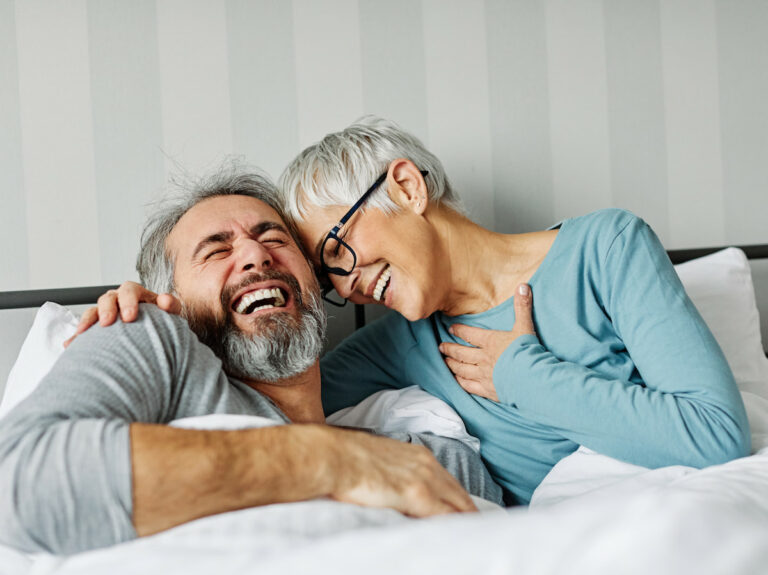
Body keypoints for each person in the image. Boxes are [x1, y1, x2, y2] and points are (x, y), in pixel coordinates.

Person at [79, 117, 751, 507]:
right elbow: (262, 400)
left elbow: (717, 434)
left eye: (339, 247)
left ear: (404, 185)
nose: (350, 285)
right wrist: (156, 319)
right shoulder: (399, 346)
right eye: (329, 274)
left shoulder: (605, 247)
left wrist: (526, 375)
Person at [0, 169, 502, 556]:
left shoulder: (424, 461)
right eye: (216, 250)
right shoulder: (149, 332)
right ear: (168, 297)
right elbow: (17, 482)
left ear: (314, 280)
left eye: (275, 239)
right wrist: (329, 461)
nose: (255, 257)